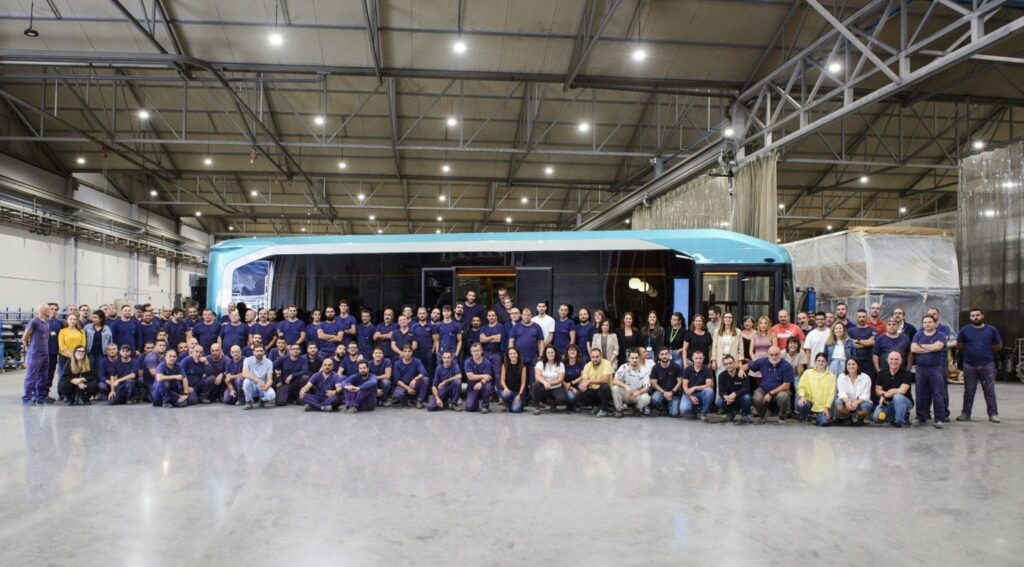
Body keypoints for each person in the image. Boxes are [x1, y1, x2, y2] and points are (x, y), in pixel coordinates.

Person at [956, 308, 1003, 423]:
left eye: (977, 315)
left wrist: (985, 350)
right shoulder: (964, 330)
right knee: (969, 391)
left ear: (982, 316)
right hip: (969, 365)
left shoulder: (991, 330)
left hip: (987, 365)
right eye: (973, 316)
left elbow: (998, 346)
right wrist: (971, 351)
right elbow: (960, 345)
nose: (975, 317)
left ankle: (993, 414)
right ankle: (966, 413)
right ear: (970, 318)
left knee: (989, 391)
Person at [911, 315, 948, 428]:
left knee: (937, 394)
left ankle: (939, 419)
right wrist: (930, 348)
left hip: (935, 369)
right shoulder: (918, 335)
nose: (927, 324)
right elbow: (913, 349)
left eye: (929, 322)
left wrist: (921, 346)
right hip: (920, 369)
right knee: (920, 394)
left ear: (935, 323)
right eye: (925, 322)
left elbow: (938, 347)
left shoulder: (940, 335)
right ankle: (920, 418)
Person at [741, 346, 794, 423]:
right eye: (771, 355)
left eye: (776, 354)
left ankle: (781, 417)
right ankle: (763, 415)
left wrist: (770, 393)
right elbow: (747, 365)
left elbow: (786, 385)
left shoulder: (787, 366)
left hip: (781, 391)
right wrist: (741, 370)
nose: (774, 357)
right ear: (768, 355)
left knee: (783, 396)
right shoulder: (763, 361)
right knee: (756, 396)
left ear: (780, 354)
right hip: (764, 389)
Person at [22, 303, 54, 405]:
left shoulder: (46, 323)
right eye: (49, 310)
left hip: (45, 353)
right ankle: (27, 398)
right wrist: (28, 348)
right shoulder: (34, 322)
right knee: (31, 377)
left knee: (43, 377)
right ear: (44, 311)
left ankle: (40, 397)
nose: (51, 312)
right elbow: (25, 337)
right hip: (35, 354)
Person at [873, 352, 914, 427]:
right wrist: (887, 393)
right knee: (876, 418)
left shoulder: (906, 373)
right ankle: (902, 415)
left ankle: (899, 421)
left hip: (904, 402)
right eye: (891, 359)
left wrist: (885, 395)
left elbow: (902, 391)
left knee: (898, 397)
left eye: (896, 359)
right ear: (887, 360)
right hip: (887, 403)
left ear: (901, 361)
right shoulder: (881, 373)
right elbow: (877, 391)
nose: (893, 361)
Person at [795, 353, 836, 426]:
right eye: (818, 361)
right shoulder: (807, 373)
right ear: (815, 362)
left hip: (821, 406)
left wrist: (826, 407)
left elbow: (831, 394)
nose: (820, 363)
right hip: (808, 402)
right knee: (801, 405)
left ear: (826, 362)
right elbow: (801, 386)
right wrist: (802, 397)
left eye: (823, 361)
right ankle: (805, 417)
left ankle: (816, 417)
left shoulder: (831, 376)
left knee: (824, 423)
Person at [611, 347, 652, 418]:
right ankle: (619, 410)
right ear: (628, 359)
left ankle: (637, 408)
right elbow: (615, 380)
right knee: (615, 388)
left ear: (639, 358)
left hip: (636, 395)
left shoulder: (645, 370)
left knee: (646, 398)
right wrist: (626, 386)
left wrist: (639, 392)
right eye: (632, 358)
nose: (634, 360)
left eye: (636, 358)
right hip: (626, 394)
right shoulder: (624, 367)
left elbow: (647, 387)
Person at [575, 347, 613, 417]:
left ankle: (603, 410)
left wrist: (589, 381)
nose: (595, 359)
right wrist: (583, 386)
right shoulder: (587, 365)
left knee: (604, 386)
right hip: (593, 390)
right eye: (593, 357)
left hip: (605, 392)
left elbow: (605, 380)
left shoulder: (607, 363)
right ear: (590, 357)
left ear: (601, 356)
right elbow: (585, 380)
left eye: (597, 357)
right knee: (579, 393)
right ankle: (596, 406)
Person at [834, 359, 873, 426]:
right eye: (849, 364)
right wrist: (847, 401)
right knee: (838, 402)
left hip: (860, 402)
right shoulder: (842, 377)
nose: (851, 366)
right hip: (847, 402)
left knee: (868, 404)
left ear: (858, 366)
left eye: (853, 364)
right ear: (846, 366)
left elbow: (866, 394)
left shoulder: (866, 377)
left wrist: (856, 402)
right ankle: (847, 417)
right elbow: (841, 393)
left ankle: (860, 419)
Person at [532, 345, 568, 415]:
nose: (550, 354)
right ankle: (536, 406)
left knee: (562, 400)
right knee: (535, 385)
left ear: (555, 353)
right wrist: (544, 382)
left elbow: (560, 379)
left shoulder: (560, 364)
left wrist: (549, 383)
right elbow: (537, 376)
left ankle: (552, 402)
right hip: (543, 386)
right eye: (548, 352)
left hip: (556, 386)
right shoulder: (540, 363)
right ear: (545, 354)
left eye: (552, 352)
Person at [649, 346, 684, 417]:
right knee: (654, 399)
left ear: (669, 355)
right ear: (659, 356)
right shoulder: (655, 368)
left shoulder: (676, 367)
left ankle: (669, 406)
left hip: (673, 394)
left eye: (666, 354)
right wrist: (663, 392)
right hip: (661, 392)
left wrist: (672, 392)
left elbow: (680, 382)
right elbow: (653, 383)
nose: (664, 356)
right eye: (662, 354)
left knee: (674, 414)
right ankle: (663, 408)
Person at [717, 355, 752, 424]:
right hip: (730, 400)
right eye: (726, 364)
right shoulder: (721, 376)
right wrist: (725, 397)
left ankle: (744, 415)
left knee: (747, 397)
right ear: (724, 365)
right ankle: (730, 414)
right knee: (719, 401)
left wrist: (735, 394)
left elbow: (746, 388)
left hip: (741, 398)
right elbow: (721, 391)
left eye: (730, 363)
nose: (728, 365)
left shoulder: (742, 373)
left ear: (735, 363)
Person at [680, 350, 714, 421]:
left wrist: (695, 387)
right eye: (696, 358)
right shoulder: (687, 370)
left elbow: (709, 385)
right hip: (689, 394)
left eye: (700, 358)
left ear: (703, 358)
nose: (698, 361)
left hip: (701, 394)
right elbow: (684, 386)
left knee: (709, 391)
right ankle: (693, 410)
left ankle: (703, 413)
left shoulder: (707, 370)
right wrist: (690, 396)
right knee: (684, 409)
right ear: (692, 358)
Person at [57, 313, 86, 395]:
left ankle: (76, 393)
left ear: (77, 321)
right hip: (65, 357)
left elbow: (83, 344)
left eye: (74, 319)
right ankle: (63, 394)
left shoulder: (81, 332)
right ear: (67, 320)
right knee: (64, 375)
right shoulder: (62, 331)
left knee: (76, 375)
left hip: (78, 357)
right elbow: (62, 346)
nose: (72, 321)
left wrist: (77, 355)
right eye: (70, 319)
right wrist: (72, 355)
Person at [241, 345, 276, 410]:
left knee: (272, 395)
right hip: (252, 385)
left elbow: (270, 379)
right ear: (253, 352)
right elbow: (245, 373)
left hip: (263, 385)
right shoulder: (248, 360)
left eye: (261, 351)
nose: (259, 353)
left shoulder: (269, 362)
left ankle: (262, 400)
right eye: (257, 351)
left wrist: (267, 386)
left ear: (264, 352)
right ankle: (248, 402)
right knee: (246, 382)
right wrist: (257, 380)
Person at [848, 309, 877, 382]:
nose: (861, 319)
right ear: (856, 317)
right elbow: (852, 345)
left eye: (863, 317)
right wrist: (867, 342)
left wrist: (858, 341)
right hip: (855, 362)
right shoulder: (851, 331)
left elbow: (872, 342)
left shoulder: (873, 330)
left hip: (869, 362)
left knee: (869, 383)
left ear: (867, 318)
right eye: (859, 317)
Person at [498, 347, 528, 413]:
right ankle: (509, 403)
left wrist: (519, 395)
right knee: (503, 394)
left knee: (515, 410)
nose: (512, 355)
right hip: (509, 391)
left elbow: (523, 383)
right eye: (510, 354)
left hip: (518, 392)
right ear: (508, 356)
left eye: (514, 353)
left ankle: (515, 403)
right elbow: (502, 380)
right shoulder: (504, 365)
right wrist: (506, 388)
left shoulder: (523, 367)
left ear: (517, 354)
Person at [411, 307, 437, 377]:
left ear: (427, 314)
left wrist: (432, 352)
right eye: (420, 313)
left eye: (423, 313)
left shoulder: (431, 326)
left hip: (428, 353)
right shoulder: (414, 327)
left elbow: (435, 341)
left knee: (429, 373)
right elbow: (411, 340)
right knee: (417, 372)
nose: (422, 315)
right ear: (417, 315)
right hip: (417, 354)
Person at [479, 310, 505, 374]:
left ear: (496, 317)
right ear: (487, 317)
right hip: (485, 353)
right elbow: (482, 340)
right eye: (489, 316)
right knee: (486, 373)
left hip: (496, 354)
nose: (491, 317)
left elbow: (498, 339)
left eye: (493, 315)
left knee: (497, 374)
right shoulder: (483, 327)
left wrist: (486, 339)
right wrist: (493, 336)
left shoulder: (500, 326)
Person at [562, 344, 586, 409]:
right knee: (571, 397)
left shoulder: (581, 362)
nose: (572, 352)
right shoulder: (563, 362)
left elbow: (583, 376)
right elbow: (560, 378)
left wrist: (572, 383)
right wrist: (571, 388)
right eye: (570, 350)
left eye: (574, 350)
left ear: (577, 352)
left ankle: (576, 403)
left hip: (576, 384)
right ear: (567, 352)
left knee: (583, 388)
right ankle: (571, 404)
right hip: (565, 385)